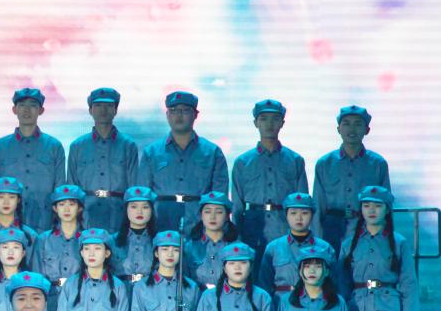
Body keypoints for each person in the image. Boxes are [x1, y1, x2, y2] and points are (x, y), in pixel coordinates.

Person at [137, 91, 228, 232]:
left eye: (185, 110)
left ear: (196, 115)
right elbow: (143, 195)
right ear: (167, 115)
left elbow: (219, 196)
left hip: (201, 226)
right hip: (160, 227)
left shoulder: (212, 152)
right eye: (174, 110)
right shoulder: (152, 152)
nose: (179, 115)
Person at [231, 100, 309, 256]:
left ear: (282, 123)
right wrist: (236, 238)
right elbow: (237, 206)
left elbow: (303, 203)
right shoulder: (243, 162)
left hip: (285, 228)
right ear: (256, 123)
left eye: (275, 119)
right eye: (264, 119)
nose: (269, 124)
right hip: (252, 228)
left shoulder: (295, 160)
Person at [314, 106, 391, 252]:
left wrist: (386, 239)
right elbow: (318, 205)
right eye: (346, 124)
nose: (352, 129)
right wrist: (317, 241)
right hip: (332, 229)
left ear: (367, 130)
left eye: (358, 124)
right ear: (338, 129)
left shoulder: (377, 164)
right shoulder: (325, 163)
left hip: (366, 228)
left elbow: (386, 204)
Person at [0, 88, 66, 232]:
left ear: (41, 110)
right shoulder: (0, 147)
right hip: (8, 225)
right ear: (14, 110)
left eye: (32, 105)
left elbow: (60, 189)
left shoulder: (54, 146)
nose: (27, 110)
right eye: (22, 105)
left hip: (45, 223)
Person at [67, 87, 139, 230]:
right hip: (86, 216)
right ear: (90, 110)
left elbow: (134, 187)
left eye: (109, 105)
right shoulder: (77, 146)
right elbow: (72, 186)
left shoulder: (128, 145)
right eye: (98, 105)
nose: (103, 110)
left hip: (118, 216)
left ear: (115, 110)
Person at [30, 185, 85, 311]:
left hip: (80, 299)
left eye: (71, 204)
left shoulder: (87, 239)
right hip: (51, 300)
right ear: (55, 208)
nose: (66, 209)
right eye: (61, 204)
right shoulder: (43, 239)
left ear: (79, 208)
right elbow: (37, 276)